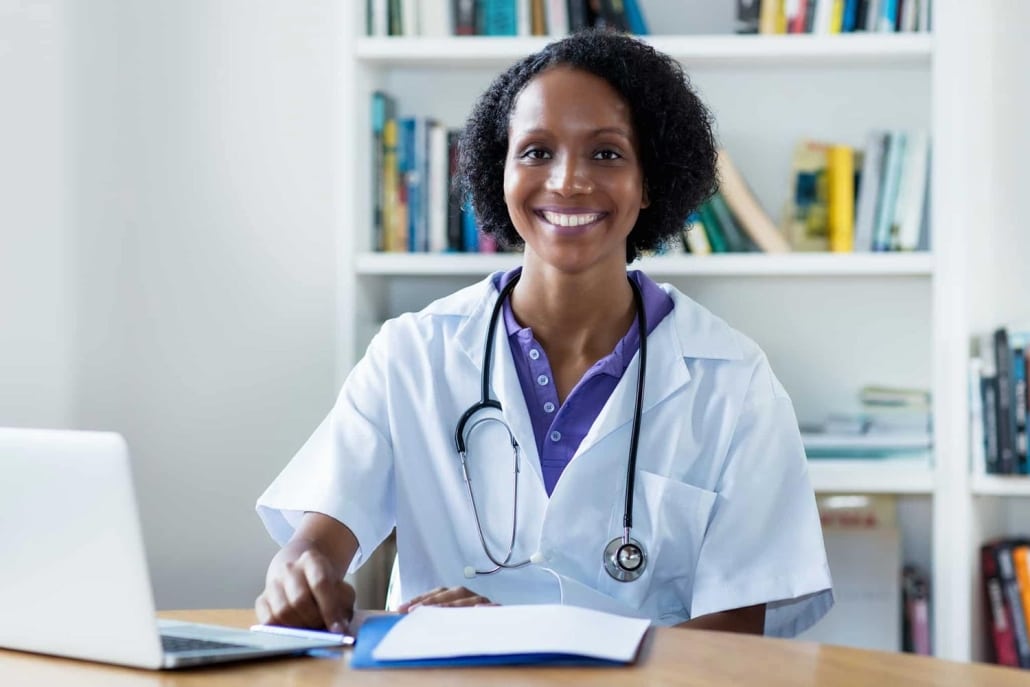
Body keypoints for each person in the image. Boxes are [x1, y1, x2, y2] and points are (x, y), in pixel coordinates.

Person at [255, 29, 832, 638]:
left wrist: (530, 640)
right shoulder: (411, 355)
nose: (567, 182)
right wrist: (300, 572)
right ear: (498, 173)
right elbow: (315, 544)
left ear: (650, 182)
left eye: (606, 154)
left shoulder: (734, 380)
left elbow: (734, 637)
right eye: (535, 151)